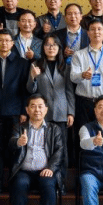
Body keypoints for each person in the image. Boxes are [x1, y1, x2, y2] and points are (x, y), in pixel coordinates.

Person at [9, 94, 65, 205]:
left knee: (48, 185)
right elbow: (10, 143)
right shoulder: (19, 127)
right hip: (24, 171)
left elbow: (59, 151)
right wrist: (18, 143)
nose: (37, 110)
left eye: (40, 106)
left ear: (46, 109)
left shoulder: (54, 129)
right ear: (27, 110)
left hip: (45, 170)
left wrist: (51, 168)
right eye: (33, 106)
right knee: (19, 184)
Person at [27, 35, 75, 174]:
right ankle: (44, 177)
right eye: (47, 44)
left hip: (61, 112)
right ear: (43, 47)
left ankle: (62, 180)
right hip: (42, 113)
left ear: (59, 48)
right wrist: (32, 77)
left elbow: (69, 91)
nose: (51, 48)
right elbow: (30, 90)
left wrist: (71, 112)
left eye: (54, 45)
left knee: (62, 147)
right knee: (43, 146)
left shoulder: (65, 66)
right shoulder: (36, 65)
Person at [0, 29, 29, 179]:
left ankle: (13, 180)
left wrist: (23, 111)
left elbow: (25, 89)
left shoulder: (22, 63)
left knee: (14, 146)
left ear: (12, 43)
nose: (4, 43)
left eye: (7, 40)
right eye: (1, 40)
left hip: (14, 112)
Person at [70, 19, 103, 130]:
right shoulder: (78, 55)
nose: (96, 32)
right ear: (88, 33)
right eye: (93, 29)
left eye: (99, 29)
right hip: (84, 103)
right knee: (84, 134)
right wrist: (82, 75)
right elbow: (73, 77)